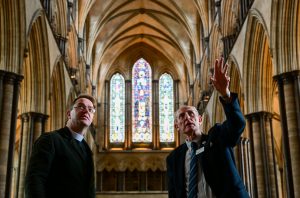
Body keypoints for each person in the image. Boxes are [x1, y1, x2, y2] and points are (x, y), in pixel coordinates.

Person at [166, 57, 249, 198]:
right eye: (182, 116)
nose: (187, 118)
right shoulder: (174, 158)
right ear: (177, 126)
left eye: (191, 114)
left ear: (199, 119)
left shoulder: (217, 137)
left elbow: (237, 124)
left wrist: (225, 94)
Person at [25, 94, 96, 198]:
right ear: (69, 114)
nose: (86, 111)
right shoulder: (50, 140)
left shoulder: (87, 150)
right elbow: (35, 181)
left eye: (90, 109)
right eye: (81, 107)